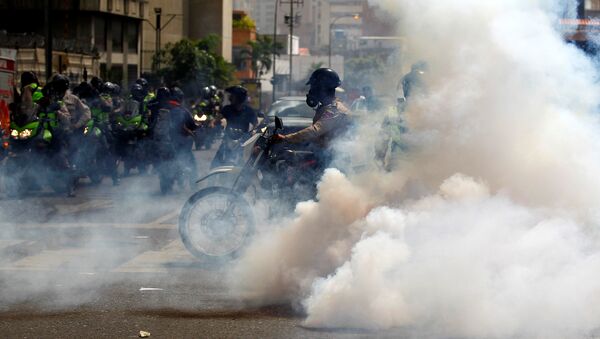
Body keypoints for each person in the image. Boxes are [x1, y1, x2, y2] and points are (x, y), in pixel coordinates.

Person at [272, 68, 351, 168]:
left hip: (333, 160)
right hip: (324, 155)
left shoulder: (335, 110)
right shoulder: (326, 107)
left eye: (313, 87)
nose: (311, 91)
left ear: (321, 88)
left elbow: (315, 130)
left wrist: (286, 138)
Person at [210, 85, 257, 168]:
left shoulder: (249, 111)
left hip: (243, 141)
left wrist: (254, 132)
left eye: (233, 95)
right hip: (228, 139)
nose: (230, 97)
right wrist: (213, 123)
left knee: (249, 165)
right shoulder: (227, 109)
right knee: (215, 164)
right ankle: (212, 180)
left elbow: (256, 125)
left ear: (239, 97)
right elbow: (218, 118)